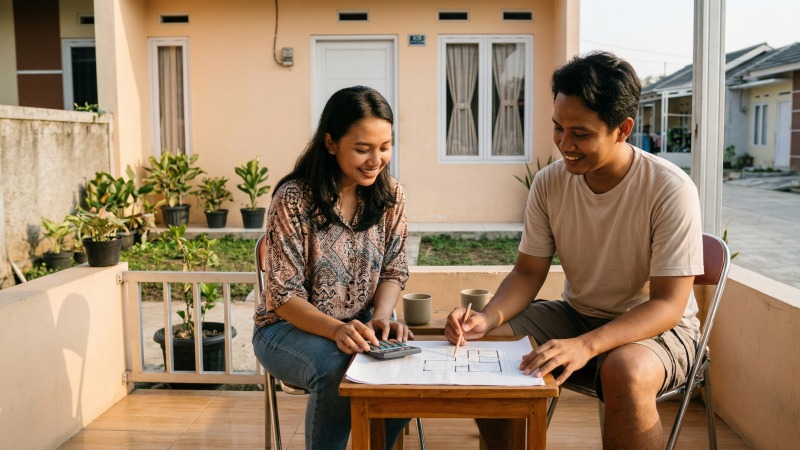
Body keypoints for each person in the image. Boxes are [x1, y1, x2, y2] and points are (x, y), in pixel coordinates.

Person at [445, 51, 704, 449]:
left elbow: (668, 305)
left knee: (624, 372)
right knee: (486, 344)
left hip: (658, 329)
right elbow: (528, 272)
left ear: (622, 129)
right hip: (577, 315)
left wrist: (587, 345)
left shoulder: (669, 188)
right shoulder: (549, 183)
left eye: (581, 134)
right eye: (558, 128)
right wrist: (486, 317)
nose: (565, 144)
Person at [252, 86, 412, 450]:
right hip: (285, 329)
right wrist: (337, 329)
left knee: (401, 367)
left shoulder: (391, 196)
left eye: (385, 147)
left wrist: (381, 317)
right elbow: (283, 296)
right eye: (363, 149)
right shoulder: (293, 199)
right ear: (330, 143)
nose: (376, 160)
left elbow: (393, 269)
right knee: (337, 367)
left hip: (357, 326)